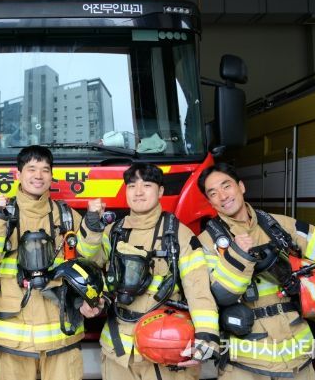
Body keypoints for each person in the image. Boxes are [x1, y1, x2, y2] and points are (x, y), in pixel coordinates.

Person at [197, 163, 315, 380]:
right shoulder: (206, 243)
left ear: (241, 187)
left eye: (226, 186)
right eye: (213, 193)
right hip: (245, 366)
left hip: (298, 361)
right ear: (209, 202)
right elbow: (219, 295)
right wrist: (239, 256)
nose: (223, 196)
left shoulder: (280, 226)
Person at [0, 145, 101, 380]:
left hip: (62, 340)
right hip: (10, 343)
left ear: (52, 176)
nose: (38, 175)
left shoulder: (66, 216)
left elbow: (90, 264)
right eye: (32, 169)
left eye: (45, 170)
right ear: (18, 174)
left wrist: (94, 226)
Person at [77, 162, 219, 380]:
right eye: (132, 186)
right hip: (118, 351)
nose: (138, 192)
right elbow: (91, 261)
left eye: (147, 185)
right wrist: (92, 225)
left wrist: (206, 338)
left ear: (160, 191)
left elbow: (198, 290)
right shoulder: (114, 231)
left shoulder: (179, 235)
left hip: (165, 350)